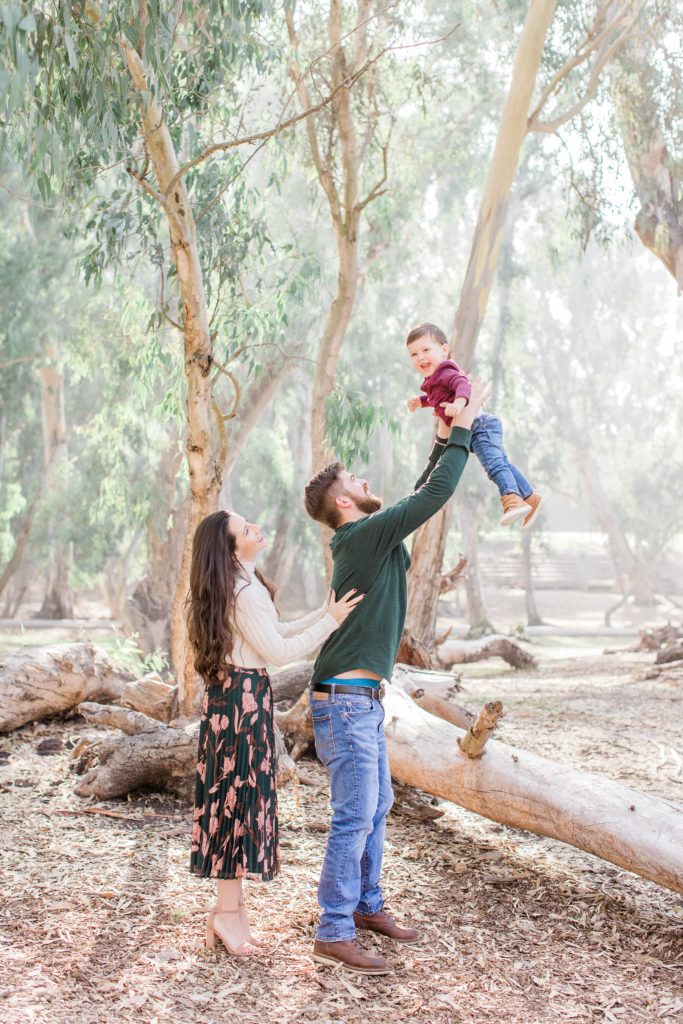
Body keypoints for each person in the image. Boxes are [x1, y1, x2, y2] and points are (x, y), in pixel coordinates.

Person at [302, 379, 488, 975]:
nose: (364, 482)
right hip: (345, 700)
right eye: (356, 482)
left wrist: (440, 437)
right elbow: (427, 500)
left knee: (376, 805)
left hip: (363, 699)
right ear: (345, 505)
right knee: (355, 813)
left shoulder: (366, 534)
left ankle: (365, 905)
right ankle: (332, 928)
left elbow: (415, 494)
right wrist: (463, 431)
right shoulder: (359, 536)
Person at [186, 509, 363, 957]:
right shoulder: (243, 592)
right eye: (246, 530)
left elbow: (275, 632)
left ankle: (233, 912)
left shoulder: (240, 584)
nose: (256, 528)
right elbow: (280, 652)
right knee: (237, 802)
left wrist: (323, 614)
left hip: (237, 700)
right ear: (231, 548)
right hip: (241, 704)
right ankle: (228, 914)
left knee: (238, 800)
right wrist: (331, 622)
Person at [406, 322, 543, 528]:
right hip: (479, 428)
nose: (421, 357)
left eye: (426, 350)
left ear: (444, 350)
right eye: (414, 354)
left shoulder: (446, 369)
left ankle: (512, 499)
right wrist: (420, 401)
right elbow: (435, 398)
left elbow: (461, 384)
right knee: (502, 463)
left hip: (480, 426)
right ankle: (530, 497)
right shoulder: (433, 380)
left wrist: (459, 402)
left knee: (494, 466)